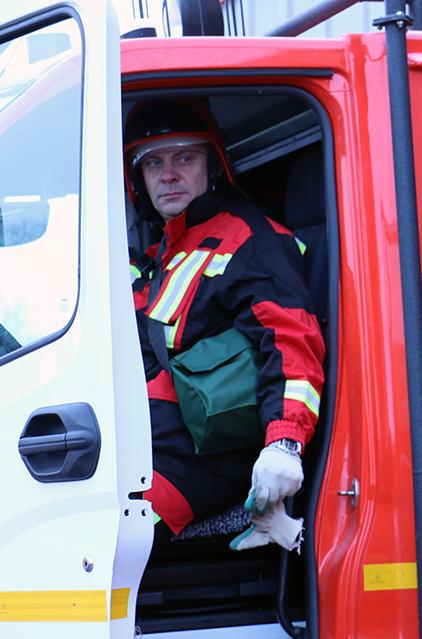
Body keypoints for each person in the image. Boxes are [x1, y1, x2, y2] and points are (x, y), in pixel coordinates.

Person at [124, 98, 325, 553]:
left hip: (202, 457)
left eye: (184, 158)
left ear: (212, 166)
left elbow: (292, 342)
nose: (168, 173)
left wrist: (285, 444)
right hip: (148, 441)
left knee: (98, 537)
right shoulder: (166, 252)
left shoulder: (252, 241)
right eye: (153, 162)